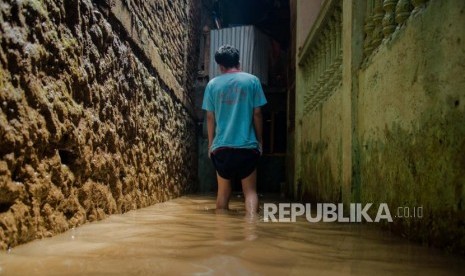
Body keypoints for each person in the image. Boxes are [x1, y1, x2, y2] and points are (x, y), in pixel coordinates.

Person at [202, 45, 267, 215]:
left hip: (222, 148)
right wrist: (260, 141)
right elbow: (258, 114)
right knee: (250, 192)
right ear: (238, 62)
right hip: (247, 147)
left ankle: (222, 233)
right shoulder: (252, 81)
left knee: (223, 193)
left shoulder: (212, 84)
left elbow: (210, 117)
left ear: (220, 66)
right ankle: (251, 230)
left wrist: (210, 145)